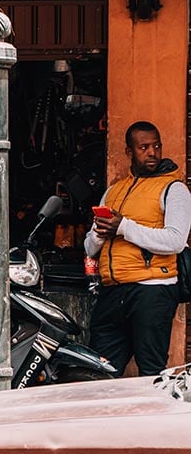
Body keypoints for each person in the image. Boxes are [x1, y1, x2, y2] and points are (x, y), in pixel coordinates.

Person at [85, 121, 191, 377]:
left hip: (153, 291)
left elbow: (175, 240)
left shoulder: (174, 189)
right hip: (113, 291)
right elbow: (89, 247)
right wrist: (100, 234)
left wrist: (123, 227)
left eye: (156, 145)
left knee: (151, 372)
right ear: (129, 152)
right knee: (99, 371)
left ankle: (155, 418)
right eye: (144, 147)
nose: (152, 152)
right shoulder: (113, 191)